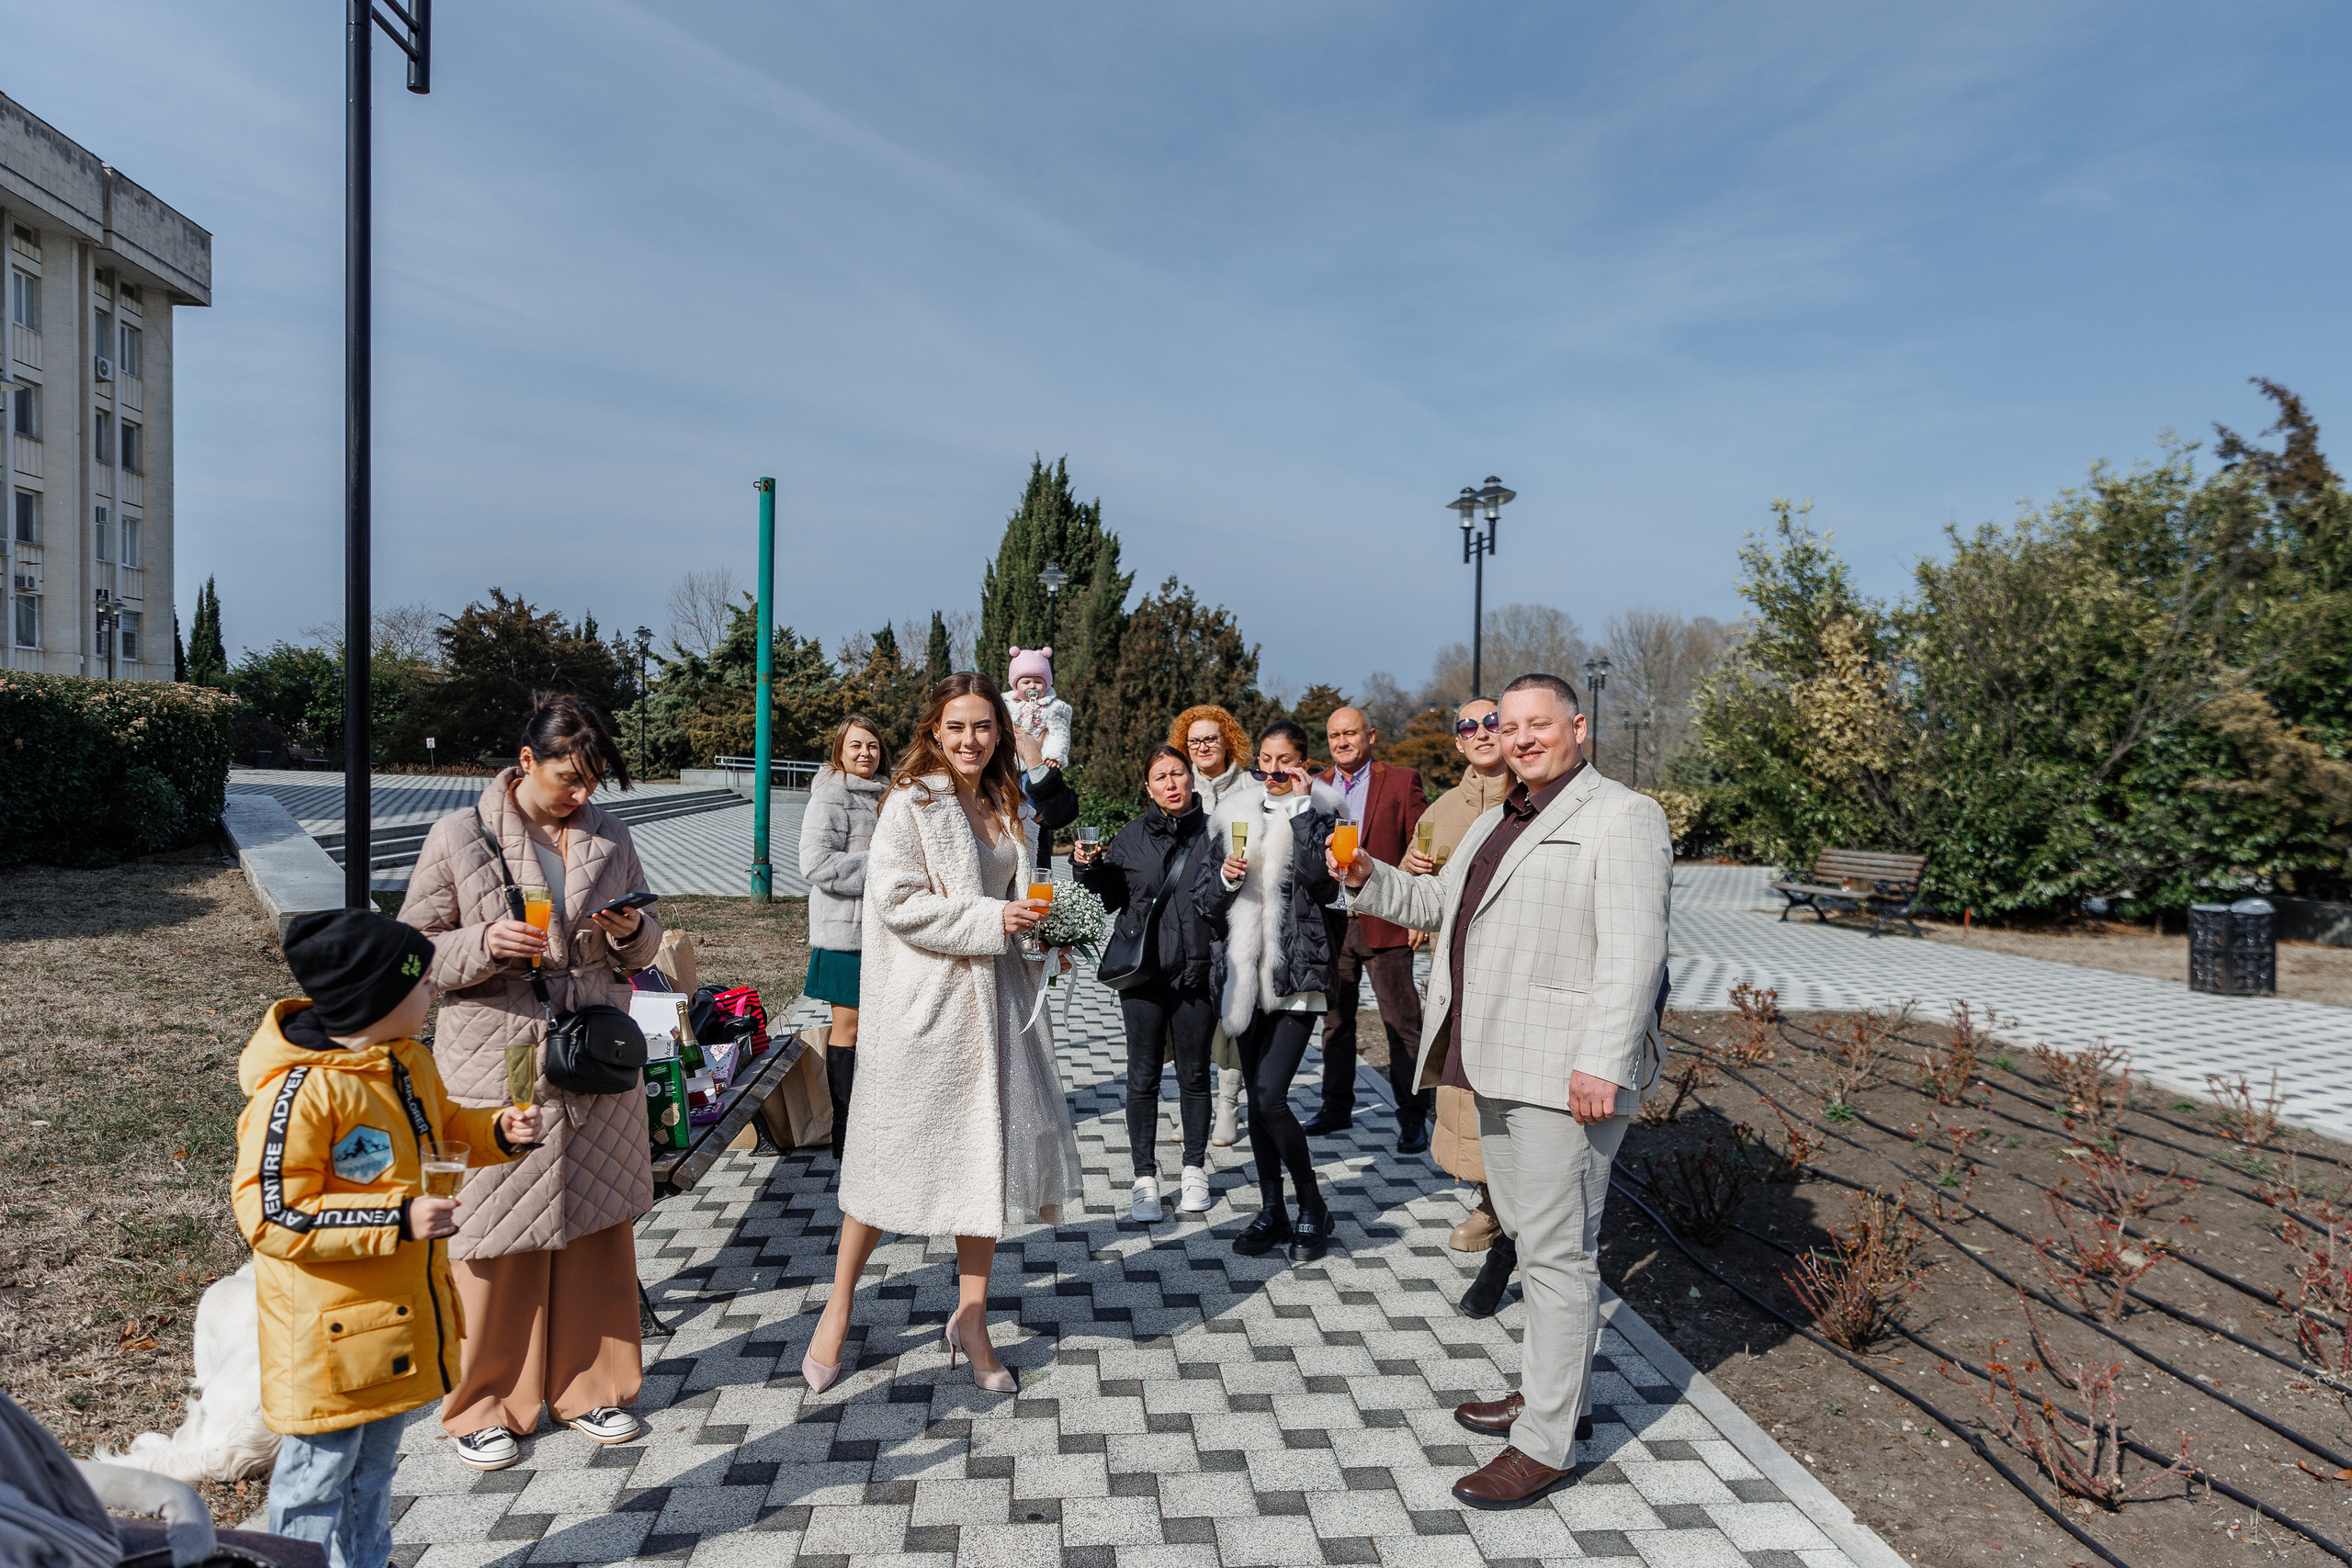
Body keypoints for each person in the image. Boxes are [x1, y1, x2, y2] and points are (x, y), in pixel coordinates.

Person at [1334, 672, 1670, 1509]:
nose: (1521, 738)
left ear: (1578, 727)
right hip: (1492, 1061)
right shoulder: (1495, 818)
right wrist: (1364, 874)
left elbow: (1636, 956)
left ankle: (1547, 1440)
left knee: (1558, 1256)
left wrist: (1605, 1061)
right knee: (1527, 1232)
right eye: (1509, 726)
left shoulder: (1623, 816)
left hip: (1567, 1075)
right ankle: (1552, 1391)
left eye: (1536, 724)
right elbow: (1431, 906)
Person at [400, 693, 665, 1472]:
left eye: (589, 779)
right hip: (502, 1044)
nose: (579, 793)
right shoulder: (460, 835)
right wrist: (484, 941)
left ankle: (595, 1387)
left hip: (591, 1046)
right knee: (496, 1226)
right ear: (525, 763)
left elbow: (648, 936)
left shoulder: (611, 834)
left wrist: (631, 933)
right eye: (566, 777)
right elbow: (412, 950)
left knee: (596, 1219)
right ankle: (482, 1402)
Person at [235, 909, 542, 1568]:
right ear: (376, 999)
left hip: (387, 1332)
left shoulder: (408, 1061)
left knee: (371, 1479)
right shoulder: (301, 1092)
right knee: (314, 1483)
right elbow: (270, 1213)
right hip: (328, 1344)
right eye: (423, 984)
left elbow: (447, 1126)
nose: (434, 992)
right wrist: (396, 1218)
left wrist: (498, 1132)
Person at [808, 673, 1085, 1395]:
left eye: (984, 726)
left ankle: (972, 1316)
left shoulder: (1005, 800)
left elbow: (1016, 894)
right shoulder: (913, 801)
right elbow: (897, 901)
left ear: (1001, 731)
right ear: (933, 730)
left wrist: (1041, 933)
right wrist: (996, 922)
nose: (971, 739)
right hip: (923, 1011)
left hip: (994, 1009)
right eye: (956, 726)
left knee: (981, 1161)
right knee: (882, 1157)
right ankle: (837, 1308)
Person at [1196, 719, 1345, 1264]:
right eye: (1265, 759)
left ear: (1305, 763)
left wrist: (1304, 814)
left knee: (1268, 1097)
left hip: (1296, 975)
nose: (1273, 770)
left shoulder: (1327, 814)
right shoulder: (1234, 812)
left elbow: (1323, 883)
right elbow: (1203, 901)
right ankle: (1271, 1208)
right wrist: (1227, 879)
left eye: (1285, 760)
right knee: (1260, 1107)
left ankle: (1312, 1204)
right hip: (1243, 978)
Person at [1073, 743, 1222, 1222]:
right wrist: (1086, 867)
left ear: (1193, 778)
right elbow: (1109, 897)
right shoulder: (1130, 837)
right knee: (1143, 1077)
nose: (1172, 784)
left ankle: (1195, 1168)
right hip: (1144, 973)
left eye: (1178, 774)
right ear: (1148, 787)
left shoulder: (1217, 833)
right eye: (1161, 778)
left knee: (1195, 1075)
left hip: (1197, 970)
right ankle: (1145, 1179)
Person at [1403, 696, 1516, 1266]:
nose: (1479, 732)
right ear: (1457, 742)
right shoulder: (1443, 809)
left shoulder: (1539, 799)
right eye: (1466, 725)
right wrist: (1411, 870)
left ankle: (1516, 1207)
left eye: (1490, 721)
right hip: (1454, 978)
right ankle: (1489, 1201)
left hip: (1519, 979)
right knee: (1465, 1092)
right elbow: (1410, 875)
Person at [1306, 706, 1430, 1152]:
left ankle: (1413, 1116)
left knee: (1401, 1022)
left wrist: (1417, 909)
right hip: (1334, 922)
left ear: (1371, 735)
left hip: (1385, 920)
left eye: (1350, 733)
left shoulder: (1400, 780)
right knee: (1334, 1022)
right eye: (1334, 734)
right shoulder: (1317, 784)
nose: (1342, 741)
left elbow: (1422, 842)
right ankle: (1335, 1108)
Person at [798, 713, 889, 1165]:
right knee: (849, 1027)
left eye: (872, 745)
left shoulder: (892, 794)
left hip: (888, 933)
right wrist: (883, 869)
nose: (864, 754)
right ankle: (845, 1129)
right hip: (846, 935)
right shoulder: (830, 795)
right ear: (839, 750)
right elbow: (815, 864)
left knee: (884, 1028)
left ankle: (879, 1125)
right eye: (855, 745)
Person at [1168, 705, 1255, 1145]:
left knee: (1233, 1012)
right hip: (1190, 918)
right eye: (1194, 741)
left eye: (1211, 739)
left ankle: (1228, 1106)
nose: (1202, 747)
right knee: (1192, 1014)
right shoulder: (1179, 783)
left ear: (1228, 742)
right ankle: (1194, 1105)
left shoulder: (1251, 786)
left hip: (1239, 914)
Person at [1007, 647, 1073, 872]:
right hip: (1012, 764)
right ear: (1016, 685)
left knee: (1031, 796)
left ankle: (1031, 822)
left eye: (1038, 681)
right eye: (1026, 682)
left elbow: (1059, 733)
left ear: (1047, 684)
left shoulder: (1053, 708)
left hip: (1037, 764)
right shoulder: (1008, 705)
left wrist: (1054, 756)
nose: (1032, 687)